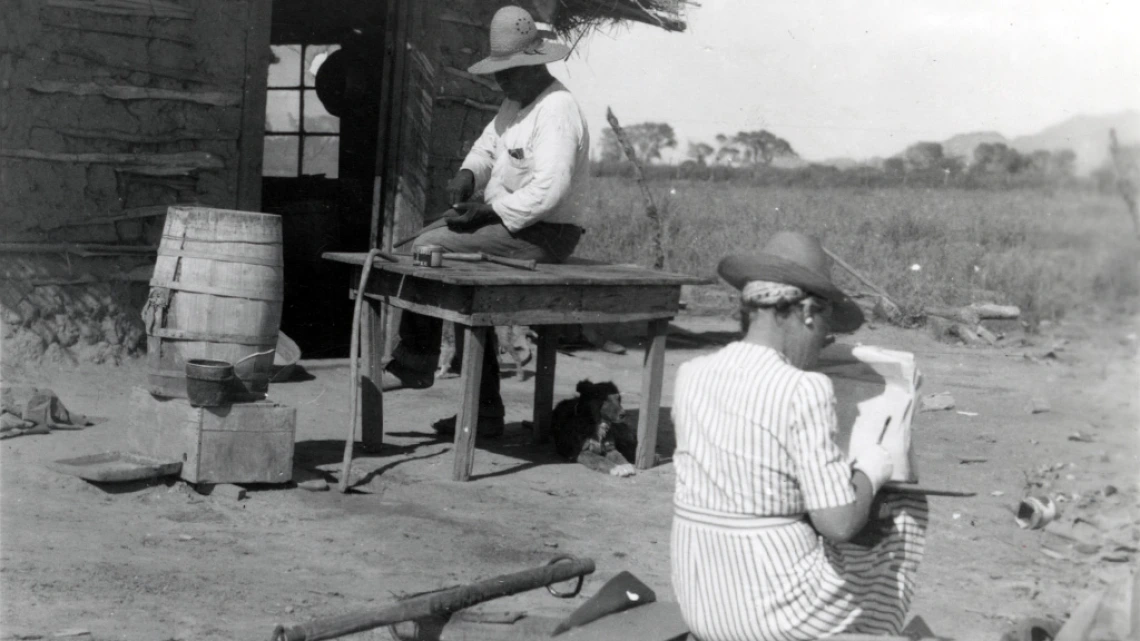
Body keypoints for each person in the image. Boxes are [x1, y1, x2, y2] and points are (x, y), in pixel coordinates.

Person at [670, 231, 928, 641]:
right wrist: (871, 471)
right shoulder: (802, 388)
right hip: (774, 616)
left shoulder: (690, 374)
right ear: (807, 312)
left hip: (702, 601)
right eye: (826, 327)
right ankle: (873, 633)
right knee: (904, 510)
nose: (825, 342)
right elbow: (839, 524)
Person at [380, 5, 590, 439]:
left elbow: (550, 190)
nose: (501, 80)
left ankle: (415, 364)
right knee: (425, 246)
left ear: (535, 65)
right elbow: (487, 148)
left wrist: (488, 210)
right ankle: (486, 411)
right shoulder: (515, 102)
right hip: (512, 227)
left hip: (542, 234)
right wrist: (467, 175)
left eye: (509, 70)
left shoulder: (557, 110)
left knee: (424, 250)